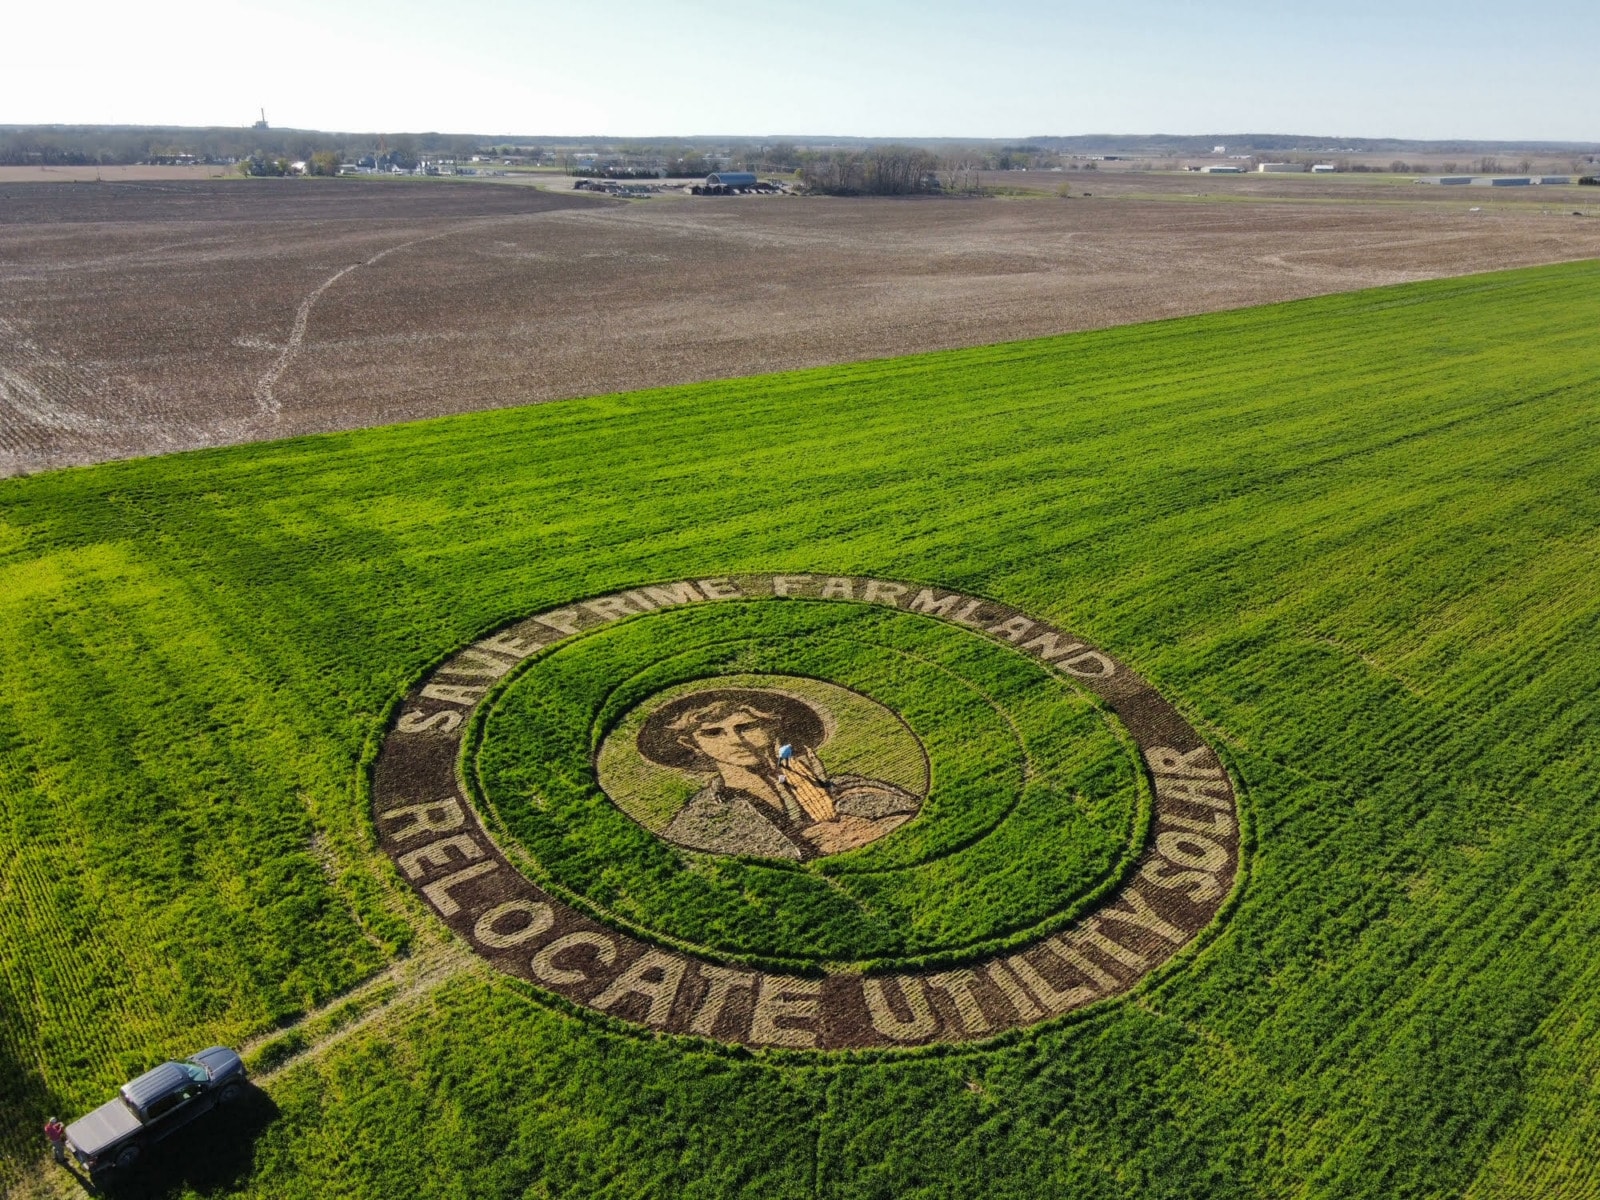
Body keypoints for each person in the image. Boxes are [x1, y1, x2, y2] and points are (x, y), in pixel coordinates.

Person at [638, 689, 920, 860]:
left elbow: (922, 817)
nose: (735, 740)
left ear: (773, 726)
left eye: (747, 727)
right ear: (692, 744)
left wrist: (880, 829)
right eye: (713, 733)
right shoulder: (703, 816)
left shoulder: (848, 787)